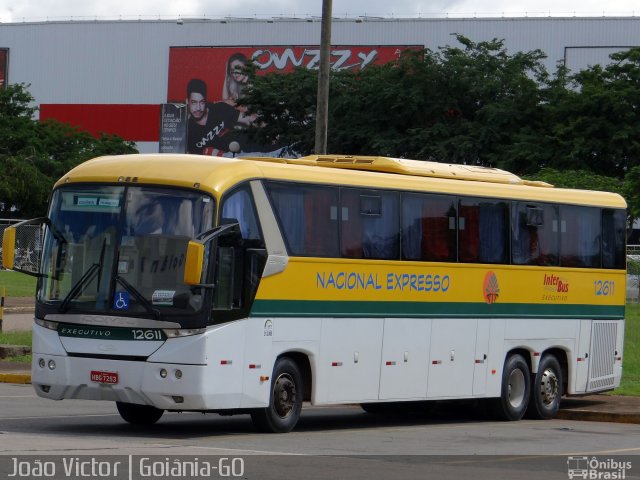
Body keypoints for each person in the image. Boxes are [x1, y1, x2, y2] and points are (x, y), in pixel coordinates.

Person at [185, 78, 242, 155]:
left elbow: (248, 118)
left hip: (248, 149)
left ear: (206, 100)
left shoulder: (219, 108)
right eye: (194, 102)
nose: (198, 108)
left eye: (202, 102)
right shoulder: (187, 131)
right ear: (187, 101)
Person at [221, 53, 257, 126]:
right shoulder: (239, 84)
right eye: (232, 70)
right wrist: (226, 74)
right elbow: (225, 99)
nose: (235, 73)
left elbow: (250, 110)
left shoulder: (252, 83)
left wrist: (232, 103)